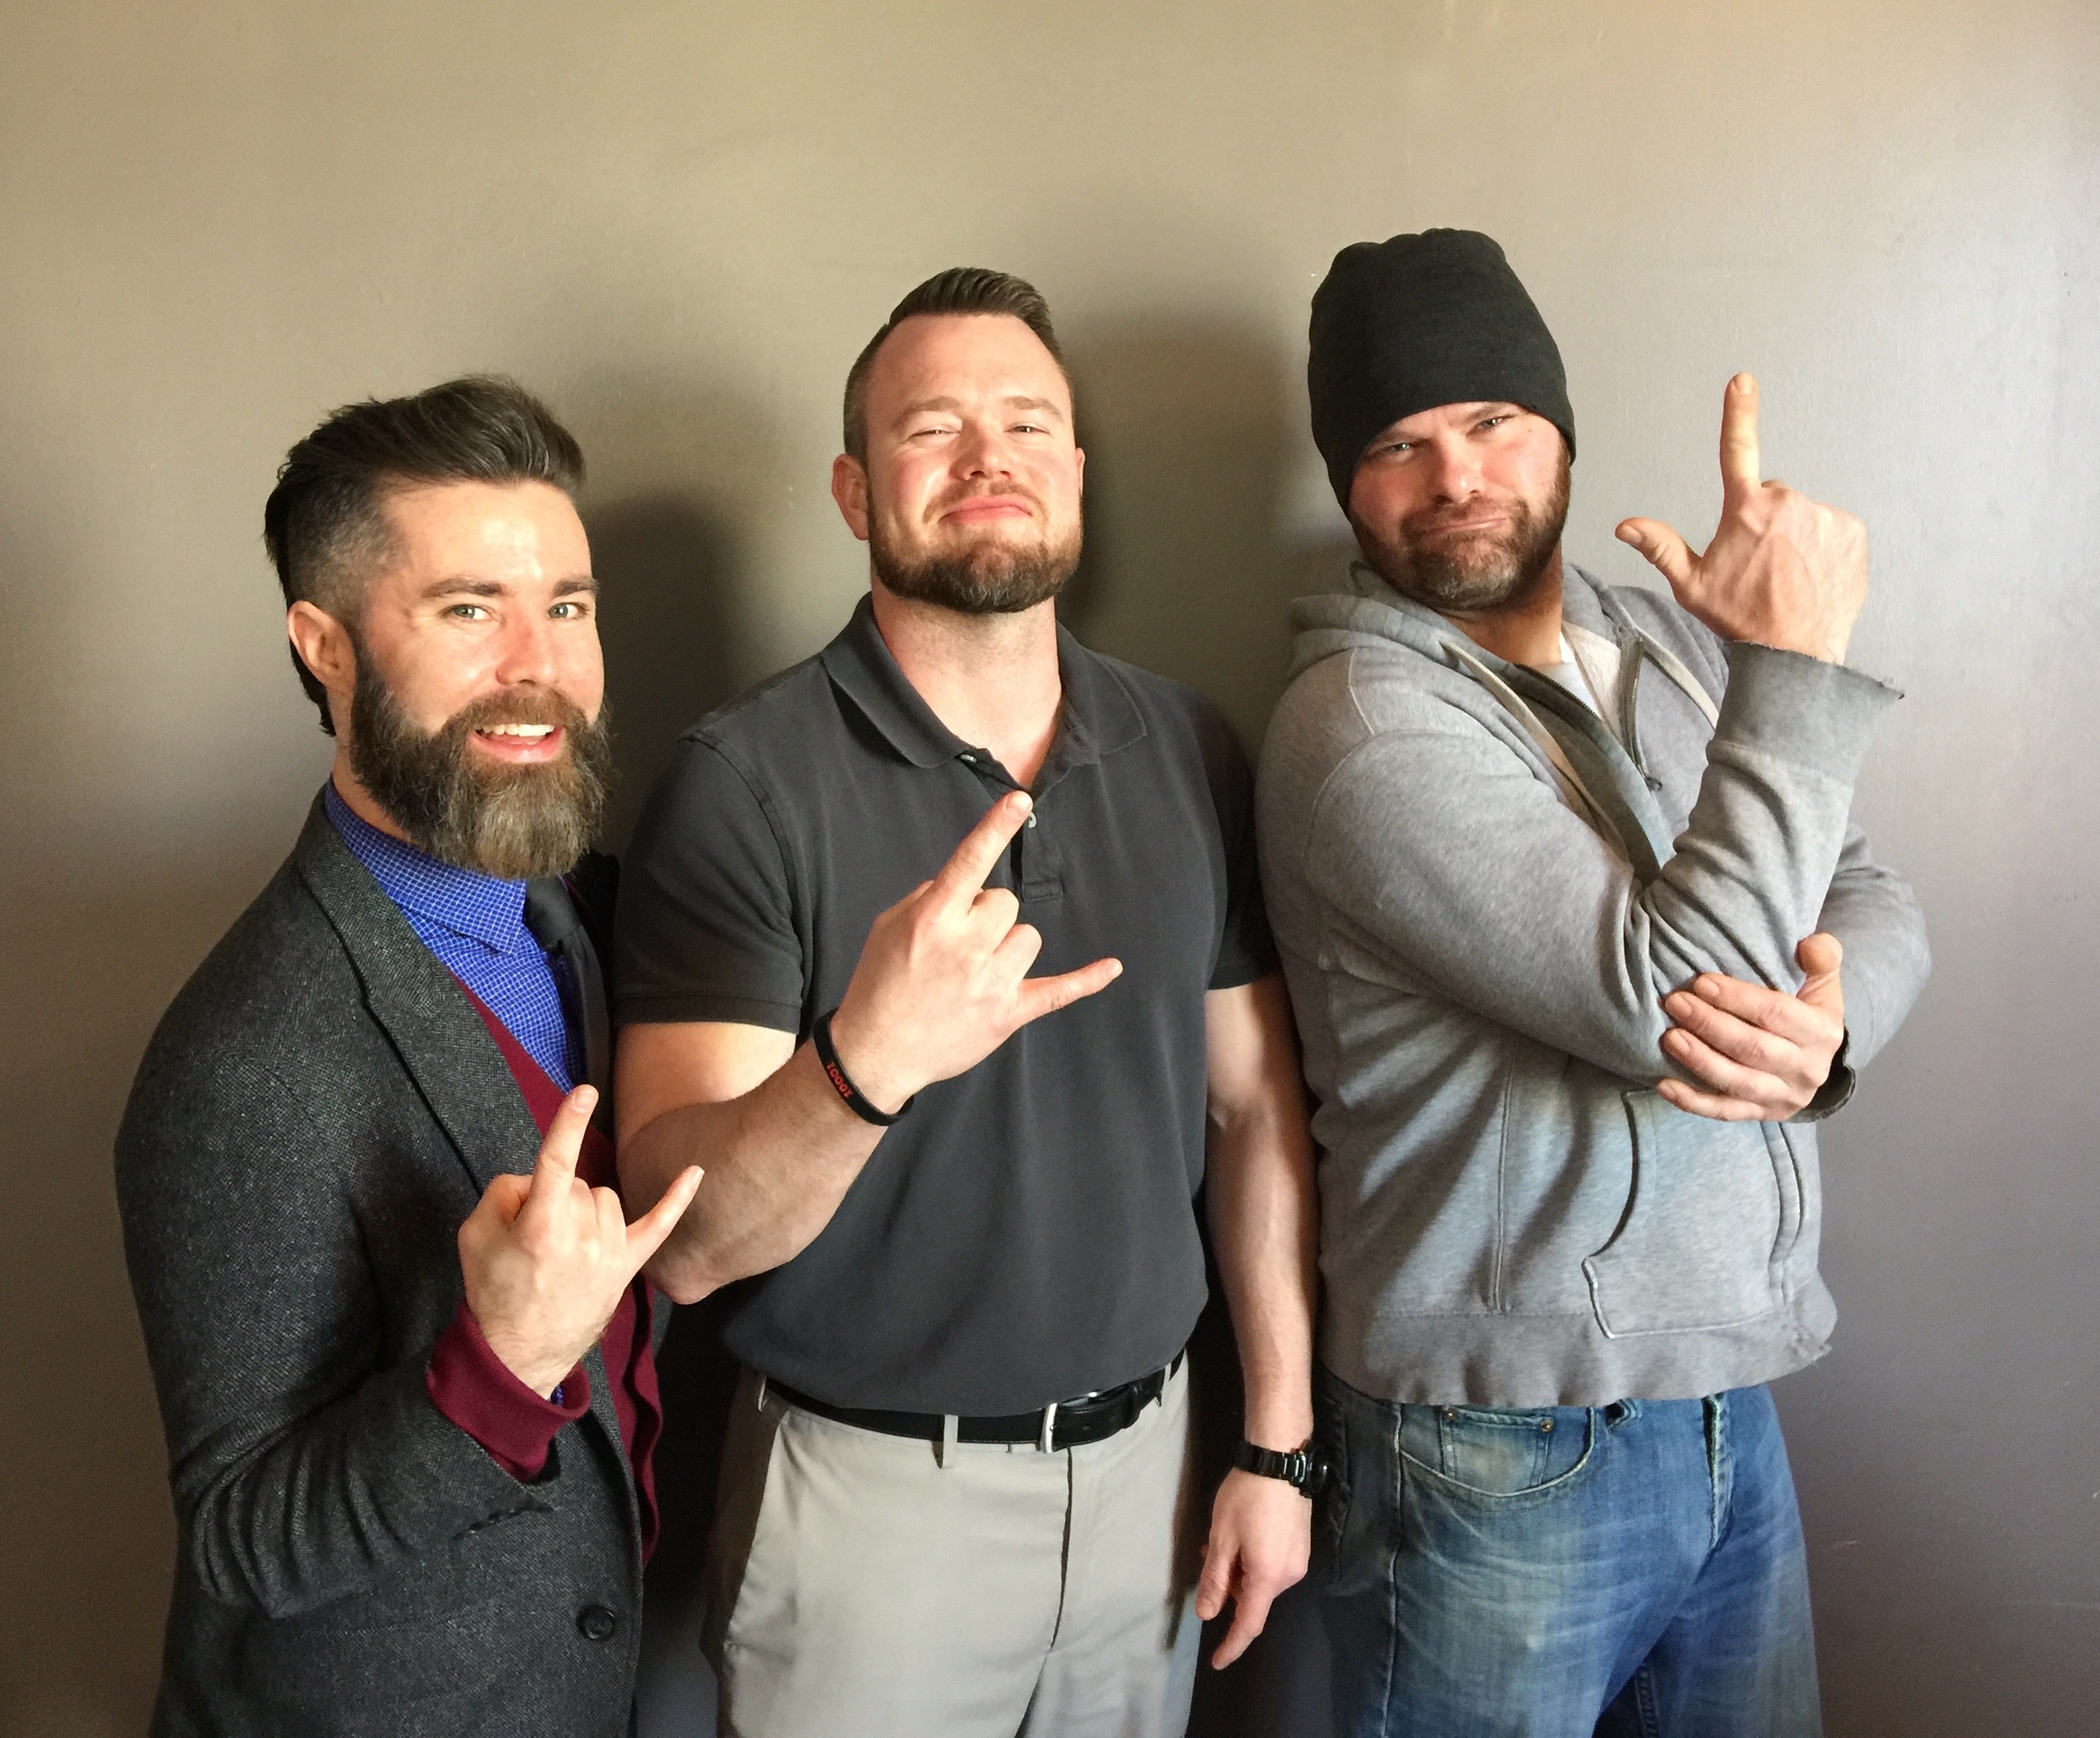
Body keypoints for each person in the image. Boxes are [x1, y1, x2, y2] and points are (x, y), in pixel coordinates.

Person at [613, 267, 1320, 1737]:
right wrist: (863, 1062)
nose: (987, 456)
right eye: (930, 426)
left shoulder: (1187, 745)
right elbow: (681, 1246)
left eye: (1025, 423)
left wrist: (1276, 1443)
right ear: (854, 490)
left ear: (1075, 475)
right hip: (869, 1517)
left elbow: (1252, 1107)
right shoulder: (745, 784)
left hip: (1150, 1488)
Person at [1256, 230, 1932, 1735]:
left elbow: (1865, 891)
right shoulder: (1359, 727)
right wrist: (1796, 668)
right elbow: (1667, 999)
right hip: (1490, 1450)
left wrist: (1823, 1033)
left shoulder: (1670, 648)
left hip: (1723, 1398)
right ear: (1346, 486)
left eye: (1491, 420)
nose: (1454, 475)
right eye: (1395, 444)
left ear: (1558, 431)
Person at [115, 376, 701, 1738]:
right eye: (467, 610)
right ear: (325, 646)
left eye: (568, 605)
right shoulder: (243, 1059)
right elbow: (247, 1542)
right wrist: (503, 1360)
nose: (539, 665)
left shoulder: (578, 917)